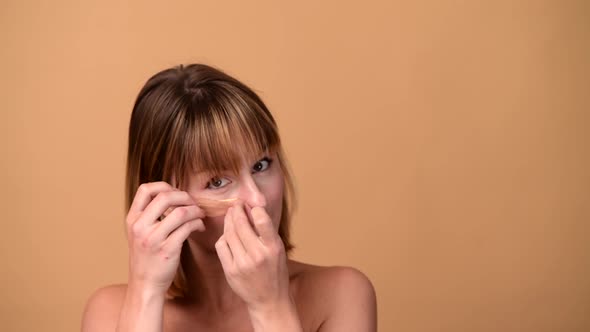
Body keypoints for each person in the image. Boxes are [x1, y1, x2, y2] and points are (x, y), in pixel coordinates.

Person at [81, 63, 377, 332]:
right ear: (165, 200)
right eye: (218, 181)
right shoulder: (108, 313)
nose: (257, 199)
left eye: (261, 165)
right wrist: (145, 292)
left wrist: (271, 308)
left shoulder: (342, 295)